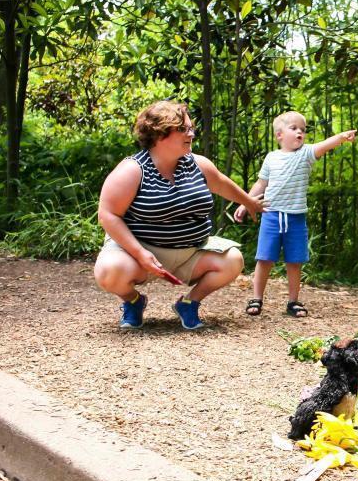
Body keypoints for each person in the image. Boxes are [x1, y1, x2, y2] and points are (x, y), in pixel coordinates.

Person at [94, 100, 265, 330]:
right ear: (159, 134)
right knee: (108, 271)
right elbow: (107, 215)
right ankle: (133, 301)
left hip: (190, 254)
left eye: (191, 128)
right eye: (183, 129)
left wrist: (249, 202)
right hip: (139, 255)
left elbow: (222, 184)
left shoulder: (197, 164)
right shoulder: (133, 170)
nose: (191, 133)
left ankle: (188, 304)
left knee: (233, 260)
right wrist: (140, 253)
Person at [234, 111, 357, 317]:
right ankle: (256, 298)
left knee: (294, 260)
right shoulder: (271, 158)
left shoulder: (306, 154)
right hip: (271, 215)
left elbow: (325, 144)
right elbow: (261, 184)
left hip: (296, 218)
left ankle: (293, 301)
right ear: (279, 135)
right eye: (294, 128)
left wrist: (342, 137)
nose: (300, 132)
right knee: (264, 258)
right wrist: (245, 203)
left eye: (303, 129)